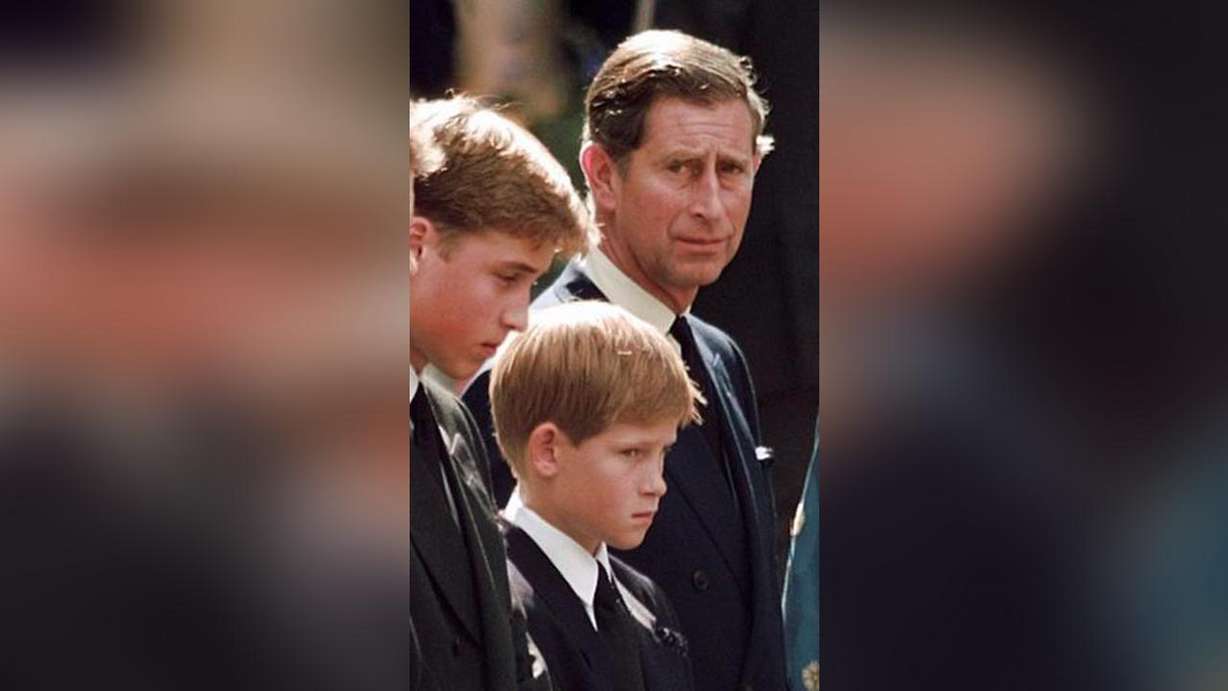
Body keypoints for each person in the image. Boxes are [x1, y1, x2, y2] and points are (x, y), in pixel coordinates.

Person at [465, 29, 787, 691]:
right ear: (602, 174)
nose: (711, 204)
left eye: (732, 170)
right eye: (679, 168)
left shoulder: (723, 358)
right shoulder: (526, 361)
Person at [410, 95, 590, 691]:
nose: (521, 317)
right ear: (413, 244)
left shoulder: (455, 425)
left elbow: (511, 655)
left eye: (533, 284)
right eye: (507, 277)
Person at [489, 301, 700, 691]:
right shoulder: (493, 606)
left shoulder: (644, 600)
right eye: (631, 453)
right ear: (548, 450)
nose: (657, 483)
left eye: (663, 453)